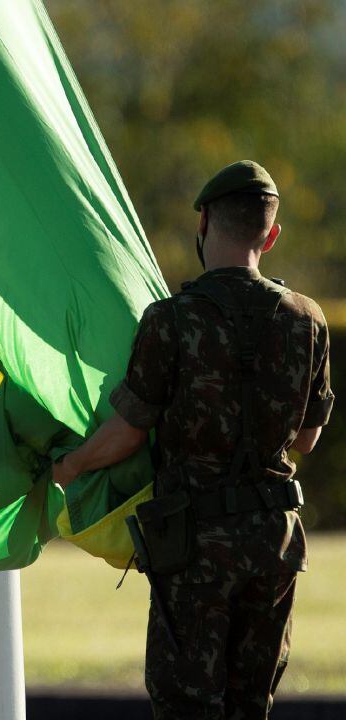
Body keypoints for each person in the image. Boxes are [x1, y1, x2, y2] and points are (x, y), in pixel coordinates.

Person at [53, 160, 333, 719]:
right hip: (273, 543)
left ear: (203, 222)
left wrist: (70, 466)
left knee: (189, 704)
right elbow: (306, 439)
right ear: (271, 235)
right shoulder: (309, 320)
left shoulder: (170, 320)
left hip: (195, 547)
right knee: (251, 703)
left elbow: (126, 435)